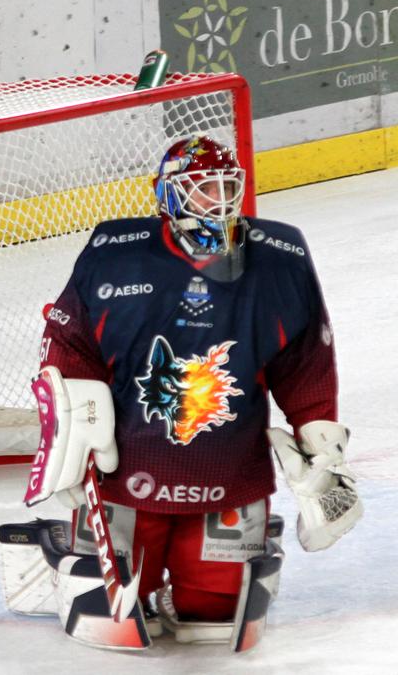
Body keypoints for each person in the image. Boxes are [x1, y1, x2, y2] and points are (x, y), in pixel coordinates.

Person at [20, 134, 361, 650]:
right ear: (168, 194)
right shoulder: (113, 256)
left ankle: (199, 578)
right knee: (111, 619)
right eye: (203, 189)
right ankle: (77, 553)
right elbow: (69, 341)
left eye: (228, 185)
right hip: (126, 470)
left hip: (228, 473)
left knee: (217, 618)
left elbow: (305, 358)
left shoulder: (281, 262)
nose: (219, 199)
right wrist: (72, 424)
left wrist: (320, 444)